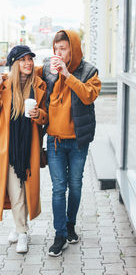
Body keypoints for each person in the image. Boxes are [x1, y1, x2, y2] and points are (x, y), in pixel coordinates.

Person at [0, 45, 48, 254]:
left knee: (22, 190)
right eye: (23, 60)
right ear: (15, 64)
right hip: (8, 149)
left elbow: (46, 116)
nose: (28, 63)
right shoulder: (4, 85)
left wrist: (38, 114)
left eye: (30, 59)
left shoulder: (39, 84)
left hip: (29, 147)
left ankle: (20, 230)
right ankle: (21, 230)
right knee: (15, 190)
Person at [36, 30, 101, 256]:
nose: (58, 53)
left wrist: (67, 74)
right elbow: (23, 73)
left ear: (72, 49)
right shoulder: (47, 68)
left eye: (62, 48)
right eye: (56, 48)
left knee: (75, 186)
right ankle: (60, 234)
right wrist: (0, 78)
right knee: (58, 189)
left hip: (78, 143)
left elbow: (88, 96)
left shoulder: (89, 71)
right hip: (55, 142)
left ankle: (70, 224)